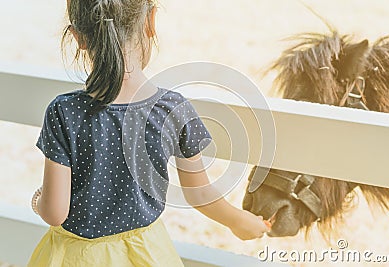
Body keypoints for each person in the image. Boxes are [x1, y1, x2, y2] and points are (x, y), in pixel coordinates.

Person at [28, 0, 268, 266]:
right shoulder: (173, 109)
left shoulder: (64, 112)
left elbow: (55, 213)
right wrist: (240, 222)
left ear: (78, 38)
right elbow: (200, 194)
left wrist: (38, 199)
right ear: (150, 22)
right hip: (147, 253)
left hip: (77, 257)